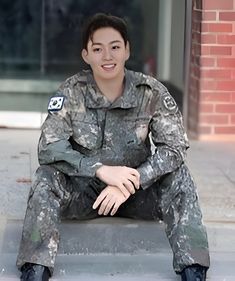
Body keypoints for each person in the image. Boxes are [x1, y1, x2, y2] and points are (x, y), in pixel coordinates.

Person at [16, 13, 210, 281]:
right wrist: (100, 170)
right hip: (84, 193)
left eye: (115, 47)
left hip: (137, 193)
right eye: (98, 49)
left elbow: (175, 148)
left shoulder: (150, 92)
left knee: (180, 178)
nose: (107, 56)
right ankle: (35, 268)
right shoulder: (71, 93)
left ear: (127, 50)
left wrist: (132, 180)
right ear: (86, 55)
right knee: (46, 178)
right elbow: (49, 148)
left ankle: (193, 269)